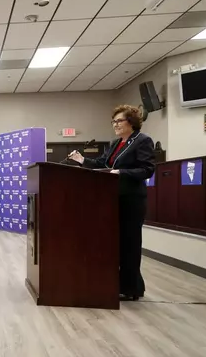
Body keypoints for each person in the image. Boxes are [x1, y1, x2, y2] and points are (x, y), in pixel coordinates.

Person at [68, 105, 154, 302]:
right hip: (112, 199)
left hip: (131, 200)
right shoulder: (116, 143)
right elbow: (103, 165)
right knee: (115, 243)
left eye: (119, 121)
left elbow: (147, 169)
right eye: (113, 121)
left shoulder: (142, 141)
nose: (115, 125)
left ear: (131, 122)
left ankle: (131, 287)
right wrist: (82, 160)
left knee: (129, 243)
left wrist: (122, 173)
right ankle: (115, 283)